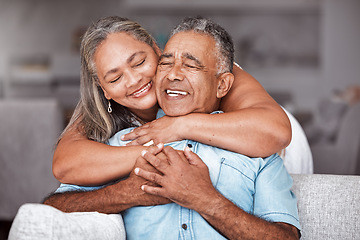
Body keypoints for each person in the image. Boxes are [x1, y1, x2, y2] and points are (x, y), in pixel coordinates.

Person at [44, 16, 300, 240]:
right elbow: (64, 170)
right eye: (115, 78)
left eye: (139, 62)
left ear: (157, 50)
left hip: (268, 133)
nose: (133, 81)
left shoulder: (216, 75)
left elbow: (276, 132)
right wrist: (156, 159)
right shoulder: (112, 129)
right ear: (104, 90)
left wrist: (179, 126)